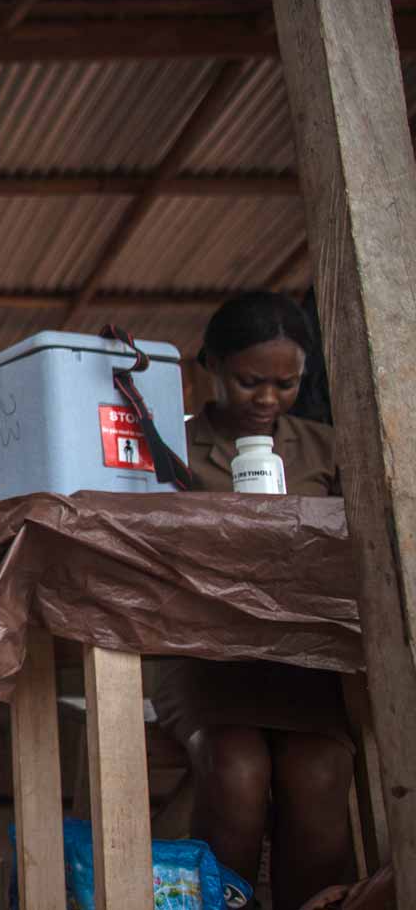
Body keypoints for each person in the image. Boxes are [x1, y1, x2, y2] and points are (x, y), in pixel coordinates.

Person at [151, 291, 350, 910]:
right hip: (206, 658)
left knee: (318, 775)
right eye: (249, 381)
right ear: (209, 365)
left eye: (286, 384)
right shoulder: (171, 450)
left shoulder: (328, 448)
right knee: (235, 771)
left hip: (307, 661)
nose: (267, 399)